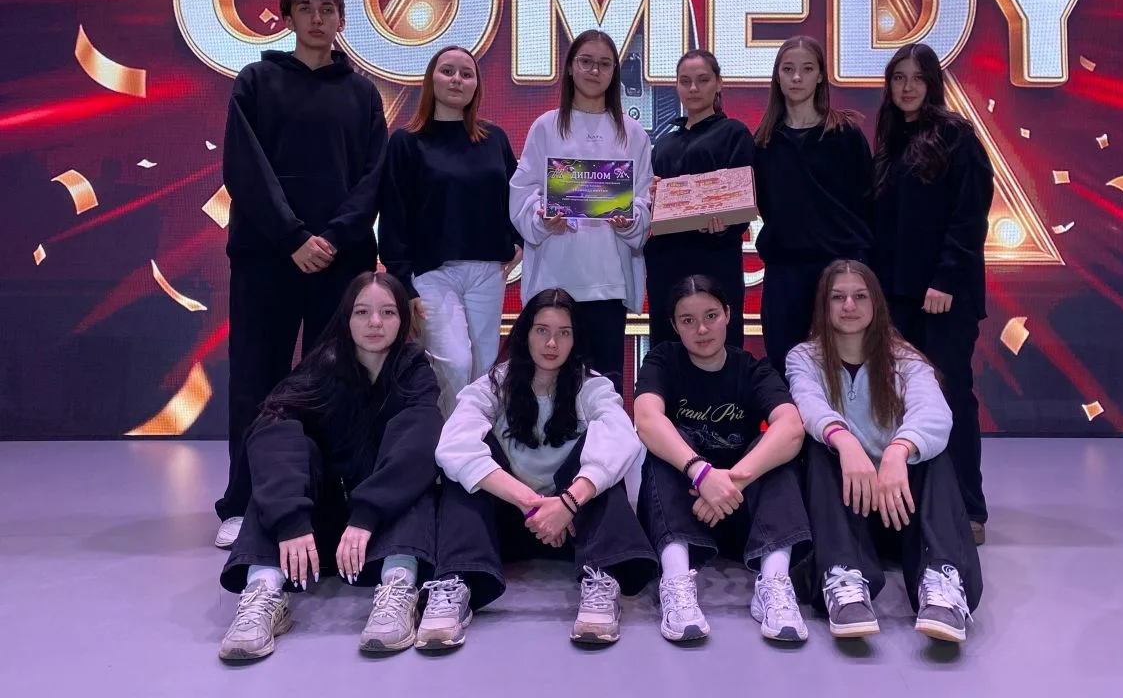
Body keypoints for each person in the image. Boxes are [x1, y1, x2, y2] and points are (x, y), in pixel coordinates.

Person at [216, 0, 388, 549]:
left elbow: (373, 178)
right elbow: (245, 169)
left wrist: (333, 238)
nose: (318, 19)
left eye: (328, 9)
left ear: (342, 20)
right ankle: (244, 502)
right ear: (287, 19)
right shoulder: (256, 81)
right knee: (256, 379)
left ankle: (325, 500)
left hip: (340, 262)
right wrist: (293, 237)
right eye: (306, 9)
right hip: (266, 258)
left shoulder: (362, 93)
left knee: (334, 381)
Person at [217, 272, 443, 661]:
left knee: (413, 468)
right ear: (347, 318)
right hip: (315, 529)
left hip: (382, 525)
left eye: (388, 312)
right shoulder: (323, 365)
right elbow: (273, 426)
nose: (375, 323)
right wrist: (290, 518)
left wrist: (368, 512)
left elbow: (419, 443)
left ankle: (398, 586)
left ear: (402, 320)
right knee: (283, 461)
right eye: (363, 312)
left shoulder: (414, 370)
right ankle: (264, 591)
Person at [421, 288, 658, 649]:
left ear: (575, 340)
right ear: (525, 334)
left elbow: (622, 438)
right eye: (542, 330)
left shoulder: (591, 385)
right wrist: (532, 505)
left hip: (574, 525)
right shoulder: (494, 385)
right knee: (463, 470)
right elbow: (452, 445)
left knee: (602, 455)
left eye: (564, 333)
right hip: (508, 522)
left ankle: (601, 579)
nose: (552, 343)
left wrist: (566, 504)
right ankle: (456, 583)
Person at [786, 259, 982, 643]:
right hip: (842, 510)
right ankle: (844, 579)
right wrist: (845, 442)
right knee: (819, 448)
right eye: (837, 297)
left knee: (932, 453)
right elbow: (810, 408)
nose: (849, 306)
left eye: (860, 296)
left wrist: (897, 452)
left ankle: (942, 581)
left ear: (876, 303)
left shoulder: (905, 359)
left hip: (900, 507)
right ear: (823, 305)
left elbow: (935, 414)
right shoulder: (804, 358)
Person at [634, 275, 812, 643]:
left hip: (738, 508)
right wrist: (701, 473)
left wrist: (733, 481)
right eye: (688, 320)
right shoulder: (663, 360)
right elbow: (646, 419)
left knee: (774, 451)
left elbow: (792, 428)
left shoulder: (752, 368)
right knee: (667, 442)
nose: (701, 329)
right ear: (674, 326)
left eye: (711, 316)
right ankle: (676, 581)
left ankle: (775, 583)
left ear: (729, 314)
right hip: (683, 506)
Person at [872, 42, 994, 543]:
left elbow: (969, 218)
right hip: (896, 297)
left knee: (950, 397)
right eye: (898, 77)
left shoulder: (956, 136)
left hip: (944, 297)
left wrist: (944, 279)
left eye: (917, 78)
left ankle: (968, 509)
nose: (907, 87)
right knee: (903, 401)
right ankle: (914, 503)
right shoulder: (889, 139)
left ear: (932, 83)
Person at [378, 44, 522, 415]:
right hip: (432, 274)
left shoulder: (494, 139)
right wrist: (403, 283)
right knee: (454, 364)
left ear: (476, 85)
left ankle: (472, 447)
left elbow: (518, 193)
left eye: (466, 73)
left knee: (482, 371)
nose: (457, 79)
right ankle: (445, 446)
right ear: (431, 80)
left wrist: (519, 240)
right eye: (447, 71)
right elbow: (393, 216)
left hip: (487, 273)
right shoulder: (406, 142)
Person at [509, 30, 653, 388]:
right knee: (550, 386)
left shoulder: (633, 133)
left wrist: (629, 220)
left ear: (614, 72)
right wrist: (543, 218)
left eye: (604, 64)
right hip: (554, 279)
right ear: (571, 67)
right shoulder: (545, 127)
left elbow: (644, 199)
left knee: (605, 386)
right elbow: (522, 191)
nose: (594, 71)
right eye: (586, 61)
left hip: (608, 281)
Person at [752, 35, 873, 375]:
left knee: (845, 369)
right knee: (785, 365)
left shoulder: (846, 134)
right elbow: (763, 205)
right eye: (788, 69)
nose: (796, 77)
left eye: (806, 69)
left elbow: (868, 203)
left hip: (841, 269)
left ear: (820, 75)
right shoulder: (764, 142)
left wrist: (862, 266)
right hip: (785, 273)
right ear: (777, 76)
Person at [645, 49, 754, 348]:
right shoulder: (663, 143)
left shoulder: (734, 133)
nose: (693, 88)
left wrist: (726, 222)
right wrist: (651, 194)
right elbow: (650, 206)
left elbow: (741, 200)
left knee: (719, 346)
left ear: (719, 83)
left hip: (715, 258)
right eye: (685, 81)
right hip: (667, 262)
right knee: (668, 347)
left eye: (702, 80)